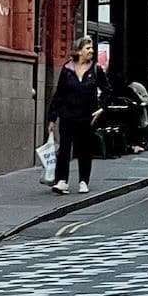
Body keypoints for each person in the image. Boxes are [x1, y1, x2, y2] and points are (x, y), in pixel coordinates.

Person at [47, 37, 108, 195]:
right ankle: (62, 181)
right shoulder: (67, 69)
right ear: (79, 51)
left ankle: (83, 181)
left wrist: (102, 108)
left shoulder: (96, 69)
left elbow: (108, 91)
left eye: (92, 48)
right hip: (68, 115)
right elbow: (59, 94)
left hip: (87, 116)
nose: (91, 51)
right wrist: (52, 118)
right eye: (88, 48)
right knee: (65, 148)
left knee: (84, 149)